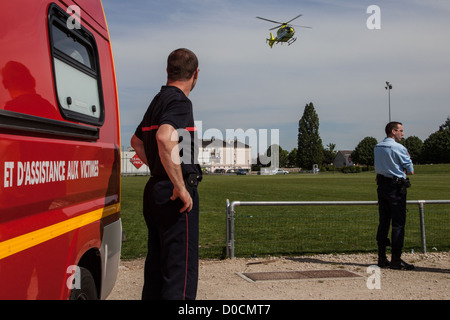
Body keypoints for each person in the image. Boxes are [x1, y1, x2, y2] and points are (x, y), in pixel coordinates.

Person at [131, 48, 202, 299]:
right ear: (196, 74)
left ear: (167, 72)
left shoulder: (157, 100)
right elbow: (164, 137)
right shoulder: (180, 101)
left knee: (157, 269)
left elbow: (136, 142)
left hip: (155, 190)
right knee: (179, 274)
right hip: (173, 195)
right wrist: (180, 185)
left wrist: (160, 168)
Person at [374, 121, 415, 270]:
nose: (403, 134)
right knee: (398, 224)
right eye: (401, 131)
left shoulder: (377, 147)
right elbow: (410, 170)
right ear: (393, 131)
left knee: (383, 222)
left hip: (381, 187)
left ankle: (381, 257)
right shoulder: (399, 148)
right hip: (396, 189)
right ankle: (396, 260)